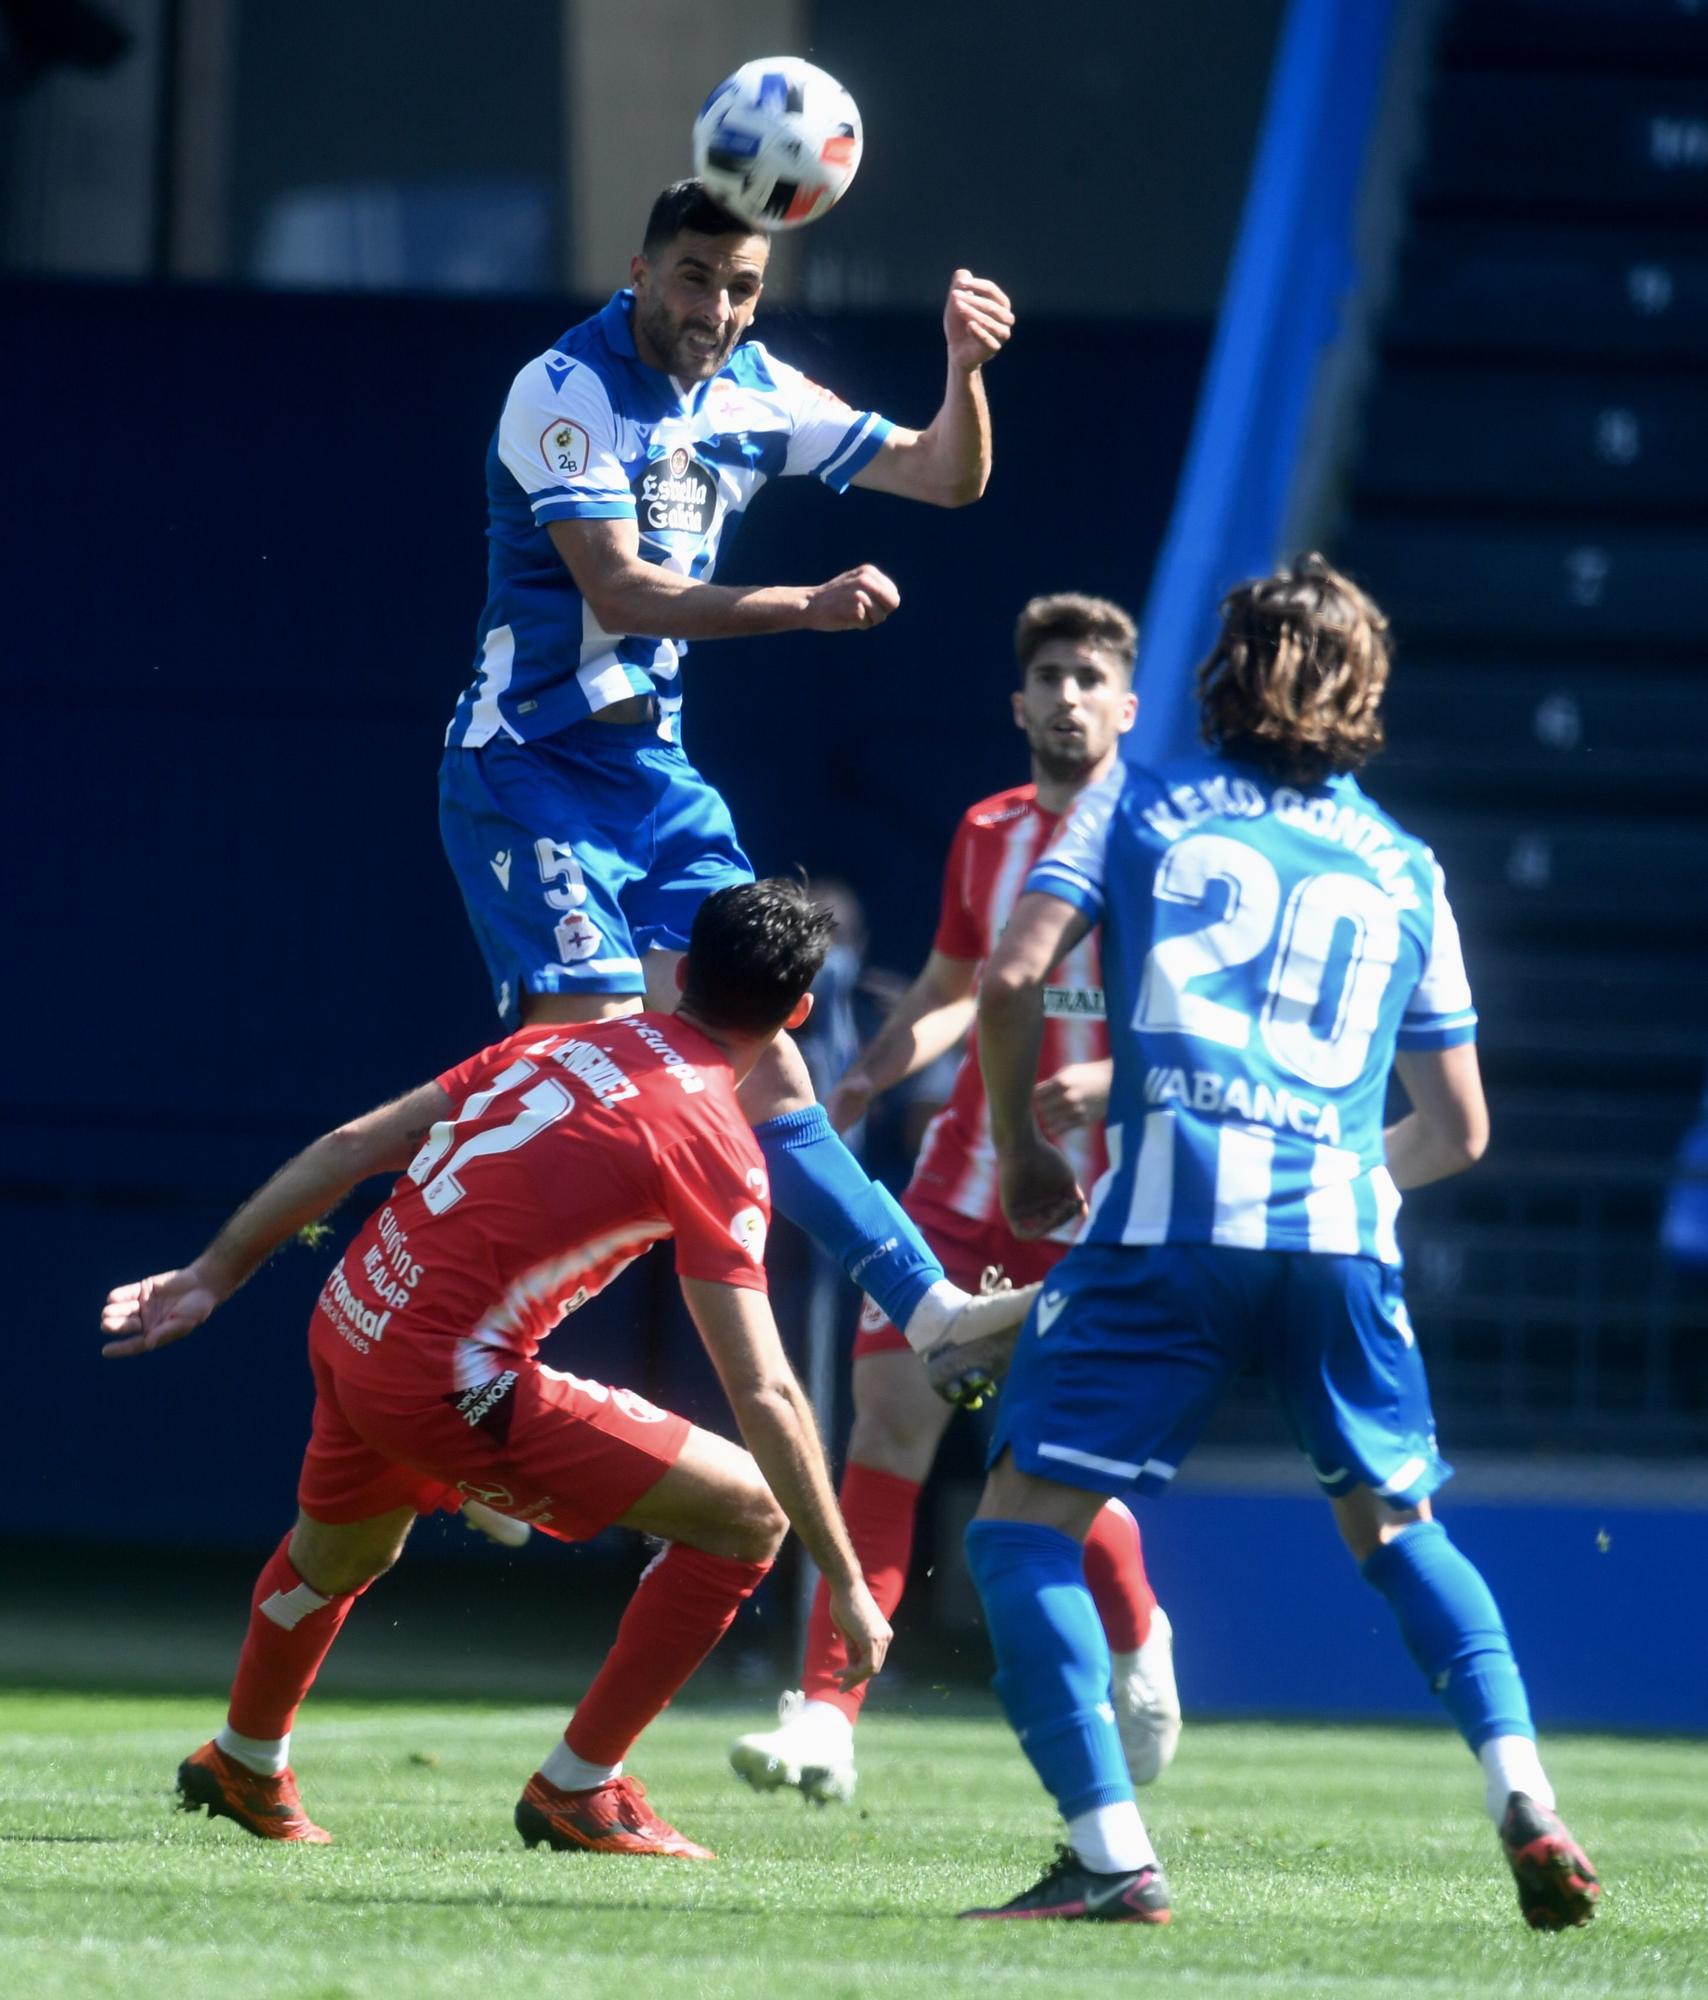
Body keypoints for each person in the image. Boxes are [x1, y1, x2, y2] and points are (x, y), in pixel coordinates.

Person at [959, 556, 1600, 1929]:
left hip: (1168, 1226)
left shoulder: (1141, 800)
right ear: (1368, 690)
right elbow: (1460, 1132)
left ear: (1219, 673)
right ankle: (1525, 1794)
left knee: (1020, 1534)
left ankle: (1111, 1858)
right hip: (1341, 1236)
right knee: (1399, 1529)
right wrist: (1327, 1172)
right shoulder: (1407, 866)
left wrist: (1021, 1147)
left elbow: (1012, 978)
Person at [99, 880, 892, 1858]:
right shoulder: (716, 1143)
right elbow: (763, 1386)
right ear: (798, 1016)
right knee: (747, 1514)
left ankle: (245, 1755)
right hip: (445, 1374)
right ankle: (579, 1785)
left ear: (679, 972)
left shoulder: (557, 1038)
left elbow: (354, 1146)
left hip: (351, 1311)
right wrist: (849, 1581)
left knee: (338, 1558)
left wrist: (208, 1275)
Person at [437, 178, 1029, 1391]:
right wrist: (804, 608)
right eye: (696, 276)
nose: (717, 305)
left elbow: (942, 474)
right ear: (643, 269)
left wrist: (963, 366)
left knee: (763, 1057)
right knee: (596, 1061)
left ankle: (927, 1309)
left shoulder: (759, 391)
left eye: (743, 286)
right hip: (527, 768)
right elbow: (620, 590)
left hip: (654, 779)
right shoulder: (564, 388)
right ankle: (469, 1342)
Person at [730, 594, 1180, 1805]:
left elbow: (1201, 1023)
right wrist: (872, 1069)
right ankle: (826, 1714)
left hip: (1090, 1204)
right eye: (1049, 674)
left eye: (1091, 676)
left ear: (1127, 706)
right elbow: (950, 981)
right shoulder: (987, 829)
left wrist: (1113, 1075)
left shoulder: (1165, 839)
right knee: (885, 1430)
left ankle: (1138, 1633)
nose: (1069, 694)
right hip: (958, 1182)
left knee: (1040, 1462)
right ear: (1017, 701)